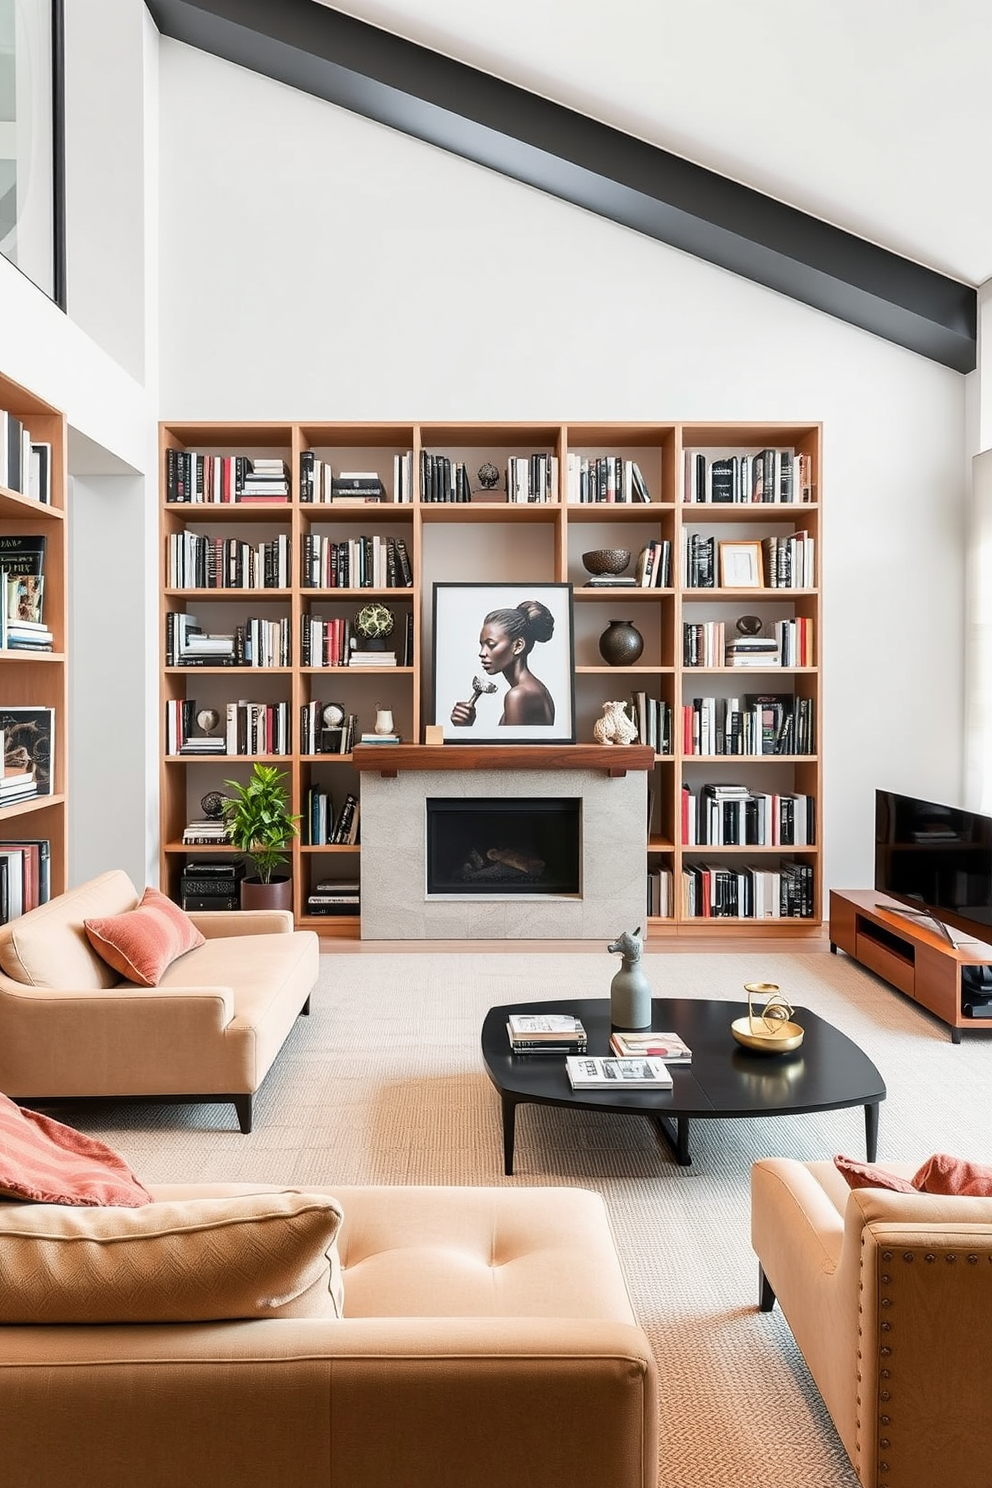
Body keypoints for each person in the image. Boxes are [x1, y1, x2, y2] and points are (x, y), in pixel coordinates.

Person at [450, 599, 556, 727]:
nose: (482, 653)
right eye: (482, 645)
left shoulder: (518, 695)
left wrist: (464, 729)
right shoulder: (537, 689)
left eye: (491, 645)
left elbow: (508, 748)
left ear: (518, 645)